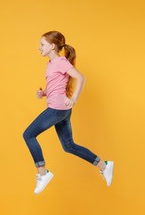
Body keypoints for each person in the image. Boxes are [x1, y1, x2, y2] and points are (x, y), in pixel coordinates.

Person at [23, 31, 114, 194]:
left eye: (42, 44)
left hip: (57, 109)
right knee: (68, 146)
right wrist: (44, 93)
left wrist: (73, 99)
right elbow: (56, 85)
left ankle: (43, 173)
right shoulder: (51, 63)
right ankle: (103, 165)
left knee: (28, 135)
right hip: (62, 110)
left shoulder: (60, 62)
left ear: (52, 46)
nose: (39, 48)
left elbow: (80, 77)